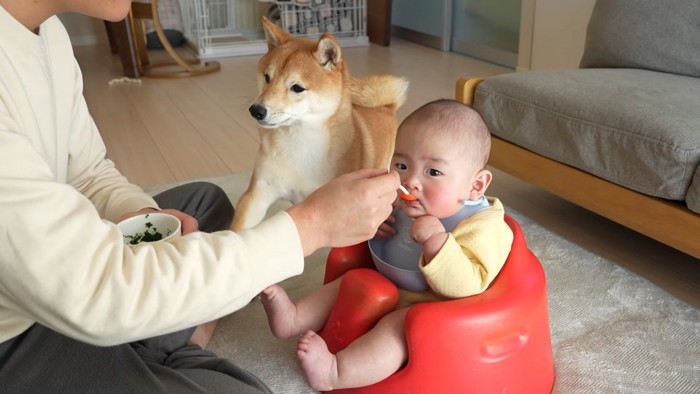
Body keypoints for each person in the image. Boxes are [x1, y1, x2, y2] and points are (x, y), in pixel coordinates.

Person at [0, 1, 399, 392]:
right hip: (16, 330)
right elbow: (89, 286)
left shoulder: (48, 32)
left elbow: (87, 173)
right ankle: (169, 346)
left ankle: (160, 332)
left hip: (53, 270)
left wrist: (145, 216)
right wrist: (310, 225)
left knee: (207, 204)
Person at [261, 99, 515, 390]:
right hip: (392, 281)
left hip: (434, 307)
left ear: (476, 185)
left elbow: (470, 286)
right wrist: (377, 224)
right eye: (402, 165)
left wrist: (437, 243)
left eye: (433, 172)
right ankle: (294, 318)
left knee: (398, 328)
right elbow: (382, 227)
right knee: (351, 279)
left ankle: (336, 372)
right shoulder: (406, 199)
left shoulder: (482, 225)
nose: (411, 181)